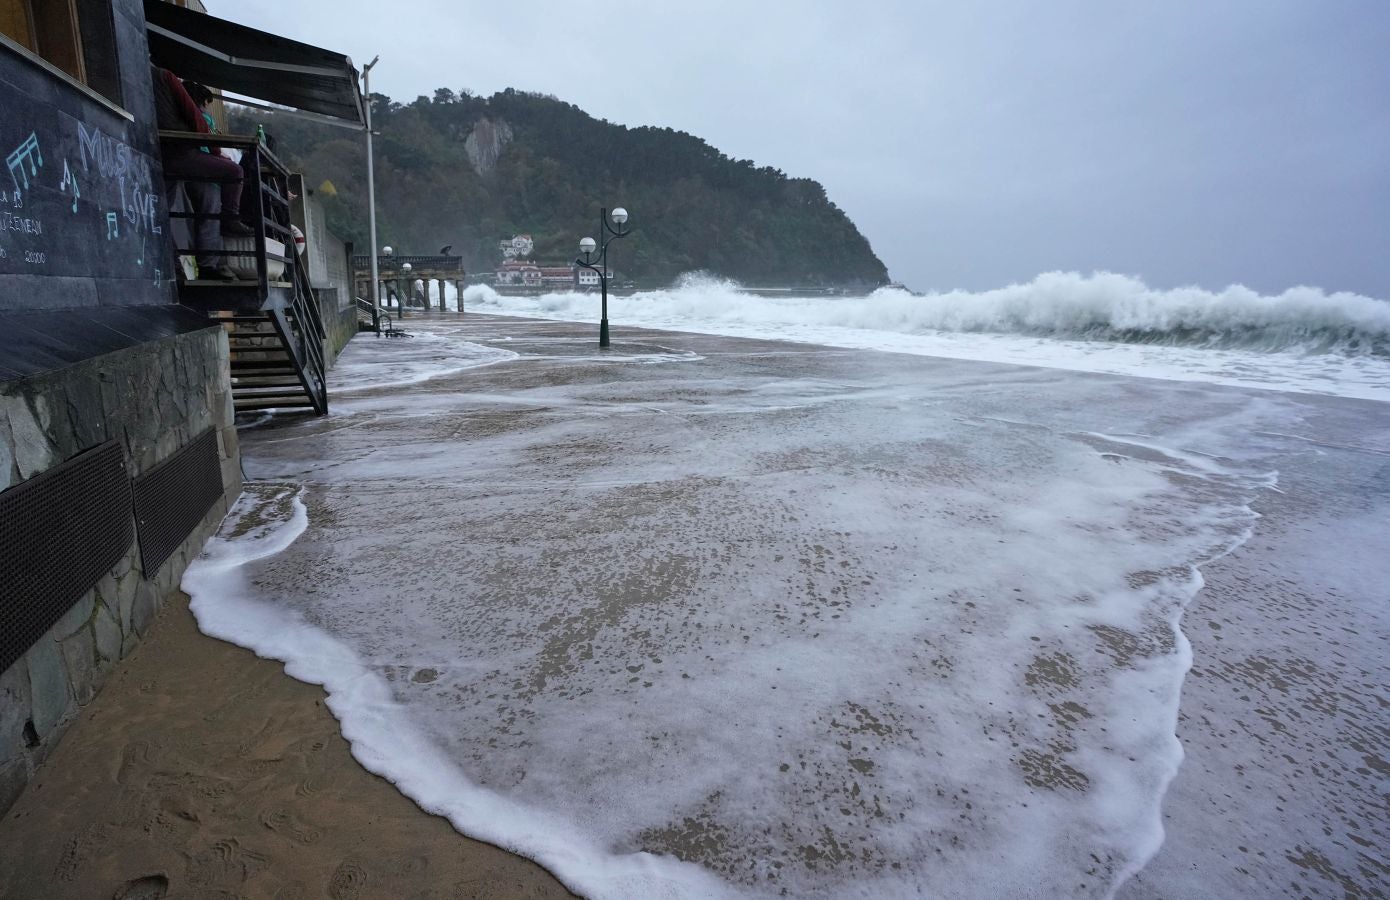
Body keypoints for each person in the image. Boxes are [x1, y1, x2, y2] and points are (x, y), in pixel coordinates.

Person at [150, 65, 248, 280]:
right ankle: (230, 220)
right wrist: (215, 152)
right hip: (179, 151)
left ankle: (174, 263)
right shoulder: (166, 77)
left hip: (156, 152)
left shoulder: (144, 80)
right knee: (234, 172)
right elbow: (195, 118)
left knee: (161, 212)